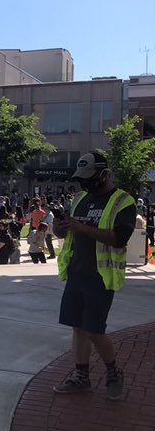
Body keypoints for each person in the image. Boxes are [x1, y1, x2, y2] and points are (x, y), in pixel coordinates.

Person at [53, 152, 138, 400]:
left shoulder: (123, 201)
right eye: (81, 178)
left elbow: (120, 238)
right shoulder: (80, 198)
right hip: (77, 272)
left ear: (103, 174)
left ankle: (114, 372)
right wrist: (62, 227)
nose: (84, 183)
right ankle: (82, 377)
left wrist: (84, 228)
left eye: (89, 177)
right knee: (78, 328)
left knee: (94, 330)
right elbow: (66, 235)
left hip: (101, 277)